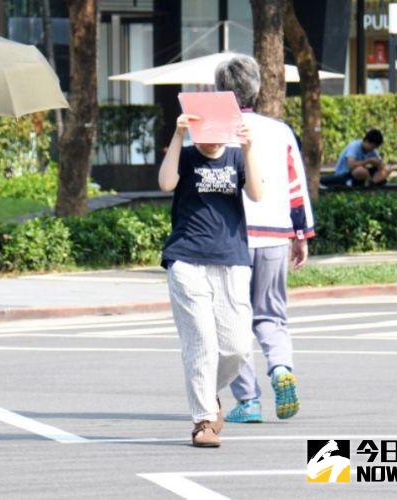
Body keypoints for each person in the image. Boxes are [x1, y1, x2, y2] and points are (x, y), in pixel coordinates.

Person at [212, 56, 316, 425]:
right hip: (275, 234)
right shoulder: (280, 131)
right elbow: (296, 186)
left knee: (233, 322)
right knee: (271, 315)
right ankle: (281, 369)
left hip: (232, 237)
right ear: (256, 87)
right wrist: (300, 234)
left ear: (220, 91)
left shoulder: (215, 130)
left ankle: (249, 400)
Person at [159, 106, 262, 448]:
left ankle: (207, 393)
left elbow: (258, 193)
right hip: (187, 259)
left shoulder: (235, 156)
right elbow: (165, 183)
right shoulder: (187, 157)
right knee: (202, 342)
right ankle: (203, 421)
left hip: (231, 259)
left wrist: (248, 148)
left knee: (238, 346)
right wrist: (177, 135)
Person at [322, 129, 390, 187]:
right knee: (360, 171)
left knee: (387, 168)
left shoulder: (372, 151)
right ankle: (366, 182)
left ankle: (371, 184)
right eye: (372, 147)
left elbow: (382, 166)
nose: (373, 149)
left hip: (363, 175)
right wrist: (368, 161)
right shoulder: (354, 146)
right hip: (346, 174)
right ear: (366, 141)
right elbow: (351, 165)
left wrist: (379, 164)